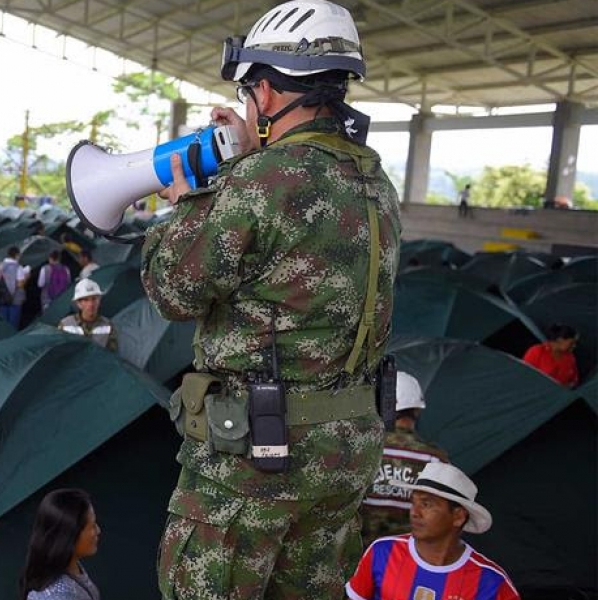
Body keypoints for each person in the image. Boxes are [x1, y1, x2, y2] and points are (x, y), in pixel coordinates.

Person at [145, 2, 400, 597]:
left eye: (249, 92)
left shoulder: (260, 180)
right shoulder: (374, 179)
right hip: (344, 451)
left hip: (258, 457)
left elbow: (170, 288)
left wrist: (190, 199)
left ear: (265, 89)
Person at [346, 463, 519, 600]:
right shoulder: (382, 552)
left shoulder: (491, 582)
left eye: (427, 504)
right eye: (414, 502)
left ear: (458, 516)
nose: (414, 512)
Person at [359, 371, 449, 544]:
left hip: (358, 562)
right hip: (406, 563)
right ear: (416, 410)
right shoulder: (435, 459)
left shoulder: (361, 450)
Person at [19, 489, 102, 600]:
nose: (98, 530)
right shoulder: (57, 596)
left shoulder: (70, 565)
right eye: (92, 526)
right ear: (70, 535)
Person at [57, 279, 117, 351]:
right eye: (86, 300)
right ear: (78, 304)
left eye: (94, 299)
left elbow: (112, 354)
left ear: (99, 301)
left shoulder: (108, 325)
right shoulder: (65, 325)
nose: (91, 304)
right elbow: (60, 351)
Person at [0, 246, 29, 328]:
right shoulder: (18, 267)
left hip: (2, 297)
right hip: (15, 299)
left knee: (3, 322)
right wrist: (27, 277)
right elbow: (20, 285)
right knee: (13, 324)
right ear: (17, 255)